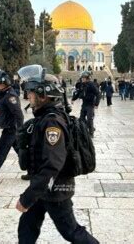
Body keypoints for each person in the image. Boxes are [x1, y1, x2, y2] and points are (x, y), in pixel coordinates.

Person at [16, 65, 99, 244]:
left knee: (71, 231)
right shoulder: (44, 118)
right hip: (43, 187)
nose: (28, 97)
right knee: (27, 226)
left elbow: (53, 164)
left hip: (55, 189)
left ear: (43, 95)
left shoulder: (52, 123)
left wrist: (28, 197)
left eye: (30, 92)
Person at [71, 71, 100, 137]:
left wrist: (96, 104)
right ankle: (89, 128)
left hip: (90, 105)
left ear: (87, 78)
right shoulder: (82, 85)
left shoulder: (91, 85)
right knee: (81, 119)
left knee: (90, 119)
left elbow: (98, 94)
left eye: (84, 78)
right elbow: (78, 93)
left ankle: (91, 132)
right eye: (82, 78)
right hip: (84, 104)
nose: (82, 79)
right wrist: (73, 99)